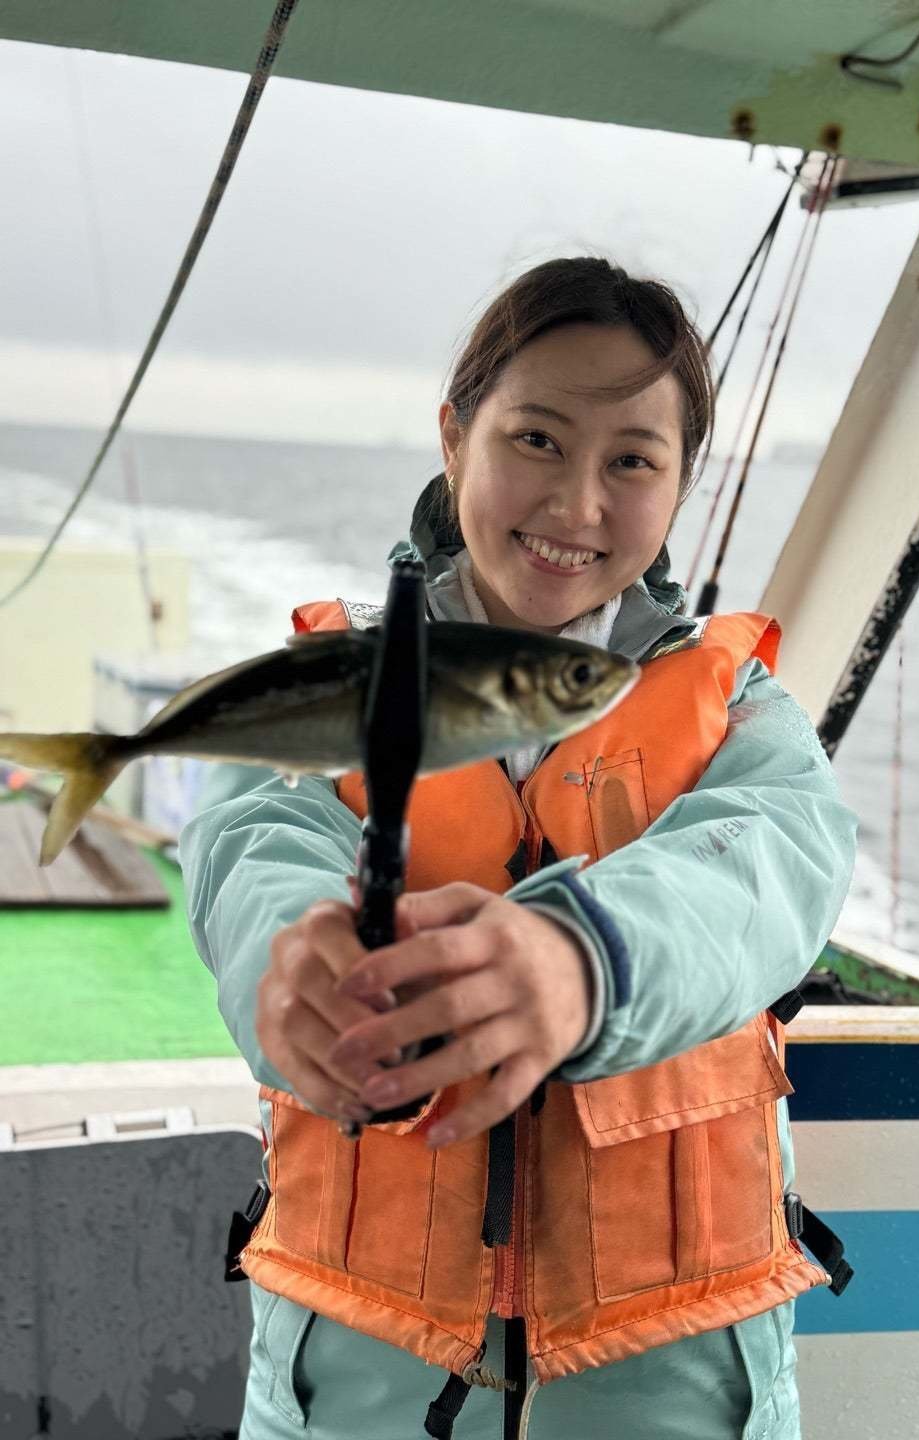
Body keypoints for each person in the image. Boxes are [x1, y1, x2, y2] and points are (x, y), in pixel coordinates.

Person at [181, 256, 857, 1440]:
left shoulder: (739, 710)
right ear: (456, 436)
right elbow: (253, 843)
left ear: (681, 483)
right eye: (537, 439)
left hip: (677, 1385)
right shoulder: (328, 684)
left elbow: (774, 858)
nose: (577, 504)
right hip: (350, 1383)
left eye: (633, 461)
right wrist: (298, 963)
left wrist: (582, 956)